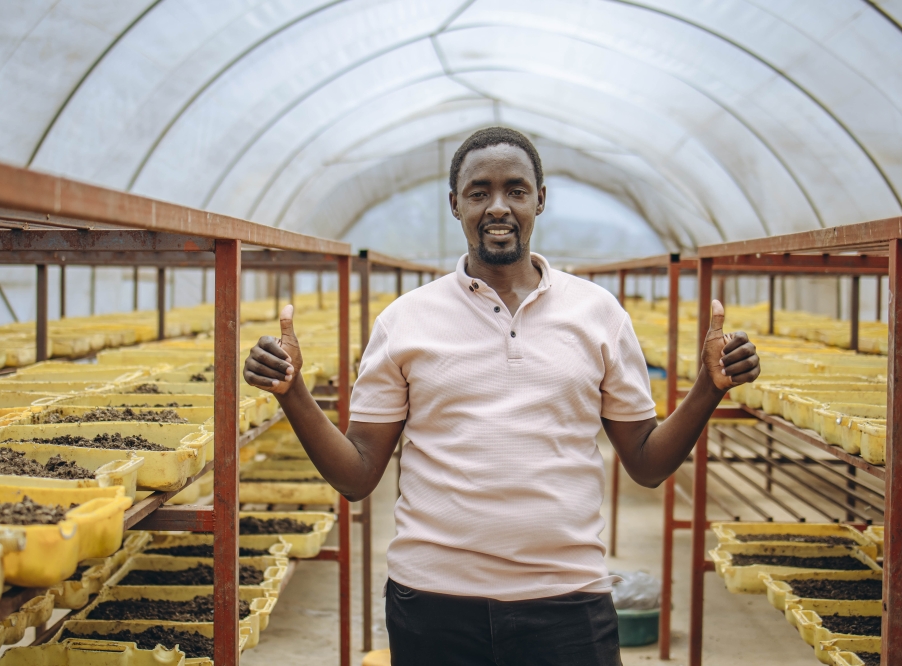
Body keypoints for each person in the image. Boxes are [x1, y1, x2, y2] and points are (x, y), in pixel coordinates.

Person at [243, 127, 761, 665]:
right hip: (433, 601)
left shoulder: (598, 313)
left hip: (568, 600)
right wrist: (293, 393)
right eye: (478, 192)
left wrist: (708, 388)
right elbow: (357, 476)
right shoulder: (404, 319)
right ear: (454, 204)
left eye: (515, 190)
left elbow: (648, 464)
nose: (497, 207)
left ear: (540, 198)